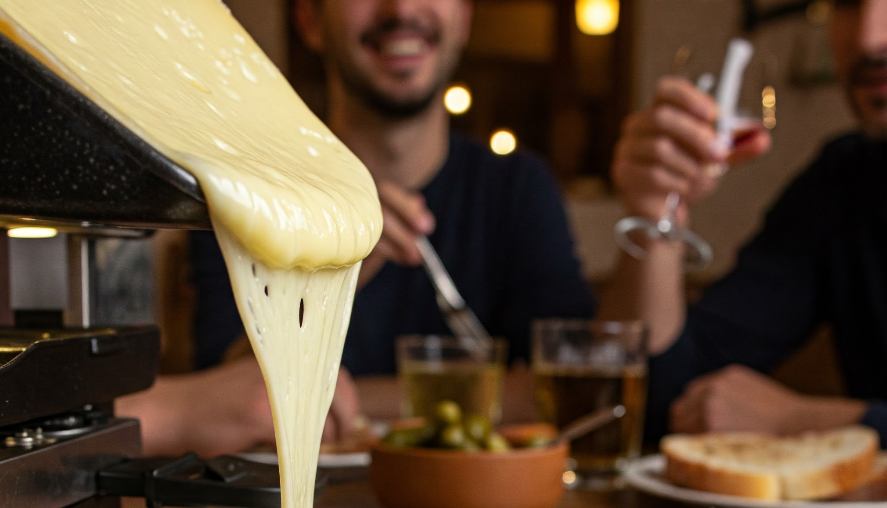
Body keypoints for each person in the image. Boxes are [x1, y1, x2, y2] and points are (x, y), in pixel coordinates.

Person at [125, 0, 594, 456]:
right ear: (309, 19)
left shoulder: (520, 188)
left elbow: (555, 394)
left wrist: (326, 397)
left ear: (464, 15)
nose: (401, 8)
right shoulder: (242, 196)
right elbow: (235, 399)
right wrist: (339, 270)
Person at [602, 0, 887, 445]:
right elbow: (665, 403)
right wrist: (657, 216)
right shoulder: (843, 182)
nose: (870, 37)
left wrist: (798, 421)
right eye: (848, 2)